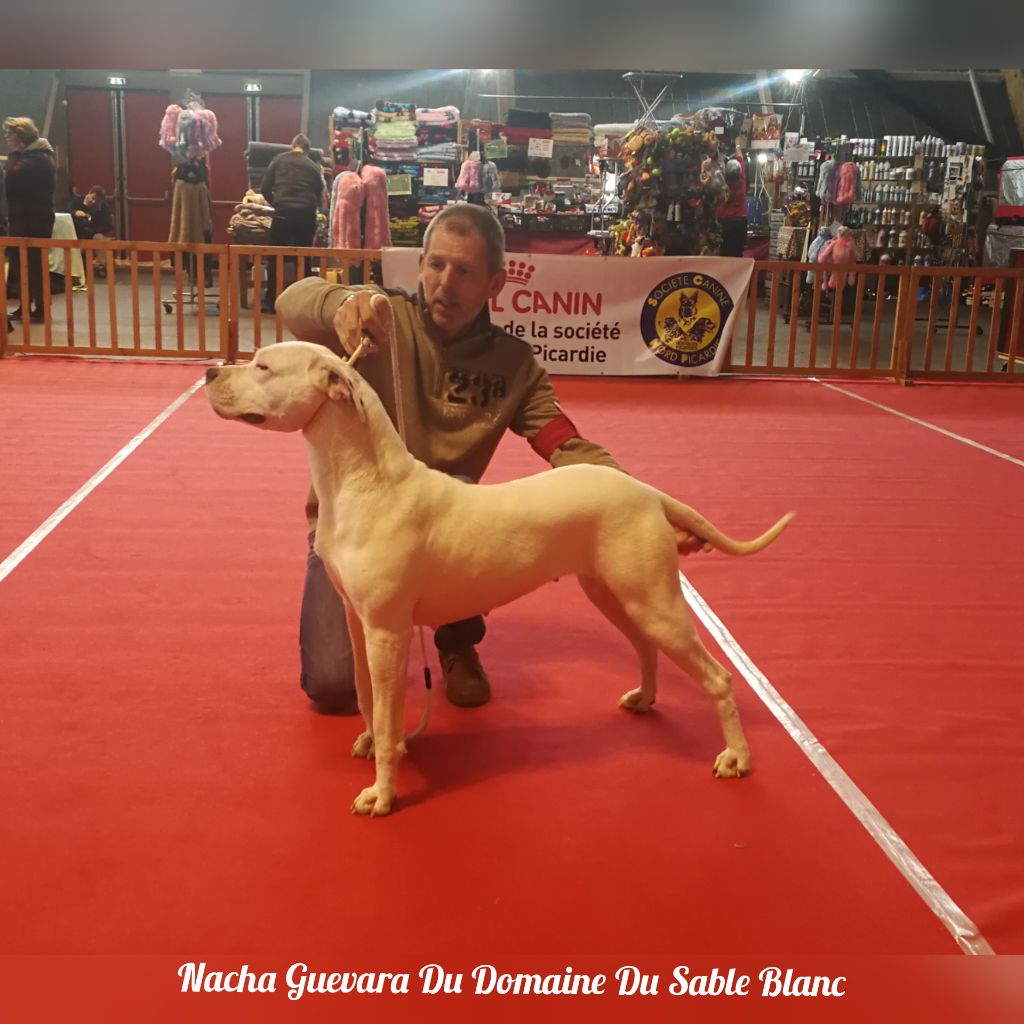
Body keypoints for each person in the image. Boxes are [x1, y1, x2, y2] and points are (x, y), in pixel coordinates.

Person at [275, 202, 708, 715]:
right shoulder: (379, 321)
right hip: (349, 530)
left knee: (471, 505)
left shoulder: (514, 365)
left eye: (464, 271)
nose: (445, 283)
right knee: (329, 686)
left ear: (496, 283)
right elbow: (291, 300)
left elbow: (566, 445)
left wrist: (636, 510)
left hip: (446, 531)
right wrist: (342, 302)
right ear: (419, 266)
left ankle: (456, 639)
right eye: (435, 265)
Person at [259, 134, 324, 313]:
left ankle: (271, 300)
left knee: (275, 257)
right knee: (304, 258)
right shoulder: (313, 166)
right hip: (306, 214)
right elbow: (319, 194)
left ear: (292, 146)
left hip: (283, 212)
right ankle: (304, 303)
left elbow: (264, 188)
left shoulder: (278, 160)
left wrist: (277, 203)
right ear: (307, 150)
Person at [3, 116, 56, 323]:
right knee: (19, 263)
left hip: (35, 220)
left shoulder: (39, 157)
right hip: (22, 219)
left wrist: (14, 154)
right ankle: (25, 305)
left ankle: (42, 308)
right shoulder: (30, 155)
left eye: (10, 134)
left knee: (35, 264)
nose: (7, 137)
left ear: (21, 135)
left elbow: (13, 176)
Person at [71, 185, 115, 277]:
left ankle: (100, 267)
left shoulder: (103, 208)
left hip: (93, 233)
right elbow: (66, 211)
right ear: (89, 193)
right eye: (93, 198)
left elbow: (108, 225)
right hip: (77, 233)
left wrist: (92, 229)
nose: (93, 201)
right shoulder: (76, 201)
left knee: (99, 238)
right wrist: (75, 213)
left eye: (97, 200)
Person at [717, 141, 748, 258]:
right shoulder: (742, 180)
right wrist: (738, 144)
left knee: (723, 253)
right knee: (737, 254)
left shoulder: (721, 181)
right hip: (740, 222)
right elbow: (740, 158)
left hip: (724, 223)